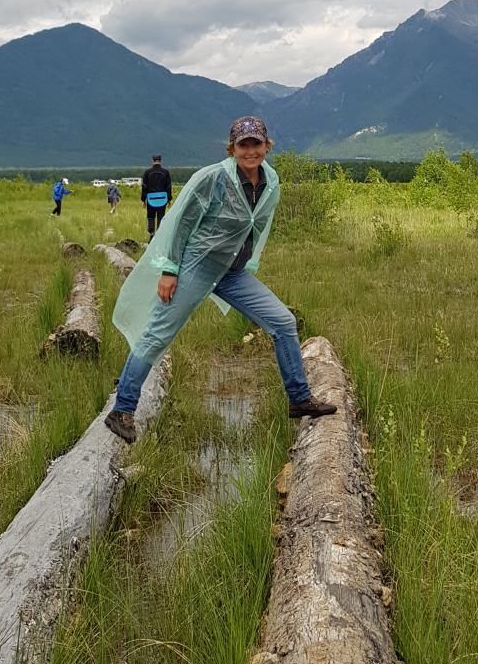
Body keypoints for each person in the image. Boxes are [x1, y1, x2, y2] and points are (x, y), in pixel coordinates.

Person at [105, 116, 337, 443]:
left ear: (266, 146)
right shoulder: (214, 179)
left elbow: (256, 225)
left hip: (232, 272)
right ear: (232, 149)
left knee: (283, 322)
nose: (250, 151)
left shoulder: (270, 180)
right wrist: (171, 270)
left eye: (256, 144)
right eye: (244, 145)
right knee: (158, 334)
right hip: (196, 266)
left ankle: (299, 399)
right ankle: (122, 410)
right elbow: (182, 223)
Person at [141, 153, 173, 238]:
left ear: (152, 161)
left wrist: (143, 200)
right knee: (161, 217)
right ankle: (159, 236)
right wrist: (169, 199)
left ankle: (151, 234)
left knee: (151, 216)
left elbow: (144, 187)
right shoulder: (166, 172)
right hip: (163, 199)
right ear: (160, 161)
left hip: (151, 199)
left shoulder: (147, 172)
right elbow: (169, 187)